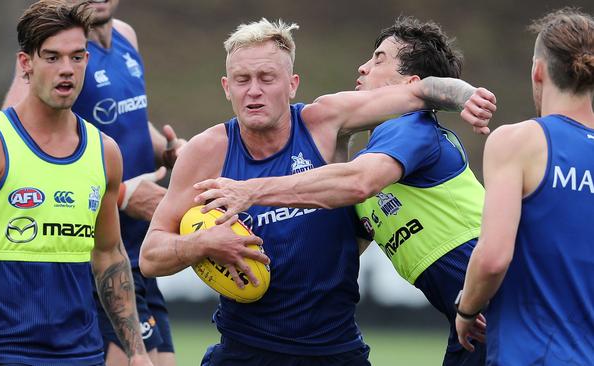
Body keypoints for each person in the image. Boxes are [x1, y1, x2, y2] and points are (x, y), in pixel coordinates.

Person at [139, 18, 494, 365]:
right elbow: (151, 256)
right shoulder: (206, 152)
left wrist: (466, 97)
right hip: (244, 349)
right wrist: (201, 243)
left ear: (292, 84)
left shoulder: (325, 122)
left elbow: (418, 93)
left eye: (267, 78)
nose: (254, 91)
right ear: (226, 87)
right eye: (242, 79)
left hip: (334, 350)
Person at [0, 1, 153, 365]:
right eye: (52, 58)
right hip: (3, 353)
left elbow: (109, 255)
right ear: (26, 64)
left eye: (76, 57)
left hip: (83, 354)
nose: (67, 70)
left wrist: (136, 351)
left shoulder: (104, 153)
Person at [2, 1, 183, 364]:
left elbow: (127, 120)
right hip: (96, 257)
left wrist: (168, 150)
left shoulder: (126, 36)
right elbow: (14, 148)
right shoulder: (60, 49)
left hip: (139, 249)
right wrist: (122, 194)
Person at [454, 8, 594, 365]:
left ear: (538, 70)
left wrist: (466, 310)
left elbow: (494, 257)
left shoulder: (518, 142)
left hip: (533, 355)